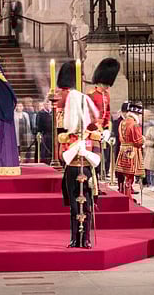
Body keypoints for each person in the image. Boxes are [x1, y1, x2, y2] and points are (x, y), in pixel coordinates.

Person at [58, 89, 100, 248]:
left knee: (87, 207)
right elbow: (64, 158)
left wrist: (85, 153)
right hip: (72, 171)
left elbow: (97, 159)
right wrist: (76, 148)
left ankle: (86, 239)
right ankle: (75, 238)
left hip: (87, 171)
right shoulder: (67, 136)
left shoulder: (93, 134)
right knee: (75, 208)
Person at [87, 57, 120, 178]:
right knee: (95, 158)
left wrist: (106, 128)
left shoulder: (106, 95)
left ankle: (98, 183)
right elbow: (90, 115)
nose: (108, 86)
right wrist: (97, 129)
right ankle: (93, 184)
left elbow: (107, 112)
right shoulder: (91, 95)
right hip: (93, 131)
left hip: (102, 131)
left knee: (102, 159)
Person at [115, 102, 145, 200]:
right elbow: (138, 141)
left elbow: (120, 137)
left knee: (124, 174)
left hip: (123, 149)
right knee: (129, 176)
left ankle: (123, 193)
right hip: (131, 151)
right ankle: (127, 196)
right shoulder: (134, 124)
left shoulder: (122, 122)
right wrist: (143, 140)